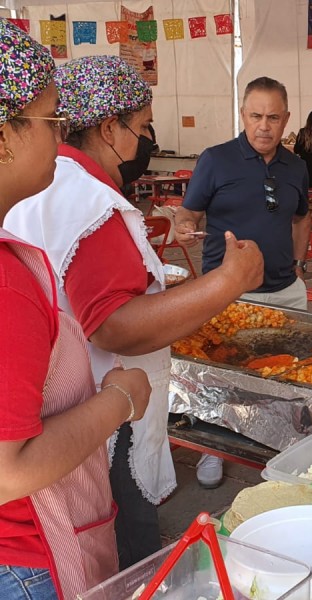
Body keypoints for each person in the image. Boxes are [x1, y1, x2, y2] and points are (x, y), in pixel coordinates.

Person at [5, 55, 264, 569]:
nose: (148, 140)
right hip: (94, 423)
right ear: (110, 128)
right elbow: (112, 324)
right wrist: (226, 282)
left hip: (60, 428)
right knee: (129, 552)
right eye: (143, 128)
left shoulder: (43, 193)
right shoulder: (88, 200)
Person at [0, 20, 151, 599]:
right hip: (24, 560)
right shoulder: (7, 286)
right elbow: (10, 469)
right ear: (6, 135)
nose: (60, 141)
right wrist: (120, 398)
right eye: (51, 122)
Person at [174, 76, 311, 489]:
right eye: (256, 116)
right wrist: (182, 229)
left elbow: (302, 217)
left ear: (286, 119)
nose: (264, 126)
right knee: (222, 377)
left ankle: (282, 449)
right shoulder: (216, 160)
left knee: (286, 376)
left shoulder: (297, 166)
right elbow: (188, 214)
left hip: (285, 289)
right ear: (242, 115)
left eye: (273, 117)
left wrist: (300, 262)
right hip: (228, 290)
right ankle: (213, 453)